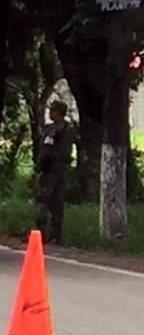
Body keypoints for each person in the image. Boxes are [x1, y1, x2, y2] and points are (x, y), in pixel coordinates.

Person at [34, 100, 76, 244]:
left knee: (43, 200)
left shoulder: (51, 130)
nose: (50, 113)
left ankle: (40, 233)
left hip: (49, 169)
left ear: (57, 113)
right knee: (58, 202)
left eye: (52, 111)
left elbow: (45, 151)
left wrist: (39, 169)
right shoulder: (70, 129)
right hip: (62, 169)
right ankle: (56, 235)